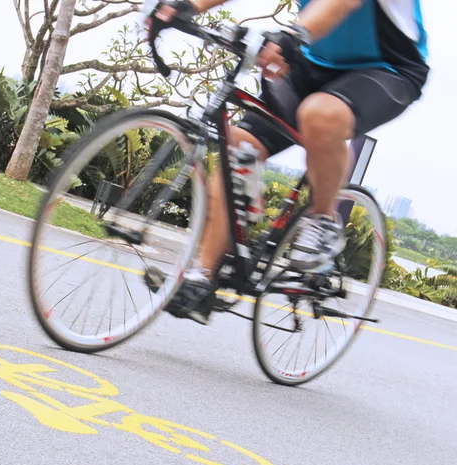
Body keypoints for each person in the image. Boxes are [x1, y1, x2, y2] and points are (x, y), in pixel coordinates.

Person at [145, 0, 429, 325]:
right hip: (312, 63)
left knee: (319, 115)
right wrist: (182, 7)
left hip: (387, 69)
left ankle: (323, 223)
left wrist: (291, 37)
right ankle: (203, 277)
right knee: (236, 146)